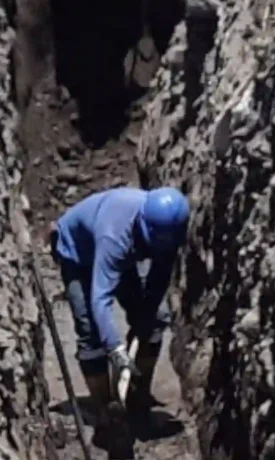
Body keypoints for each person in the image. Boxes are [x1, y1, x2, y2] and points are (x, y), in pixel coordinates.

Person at [52, 184, 190, 439]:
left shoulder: (168, 230)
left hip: (123, 255)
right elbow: (100, 297)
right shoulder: (115, 235)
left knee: (154, 322)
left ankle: (137, 398)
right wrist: (116, 349)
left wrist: (145, 317)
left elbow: (159, 277)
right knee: (91, 334)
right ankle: (107, 413)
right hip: (79, 255)